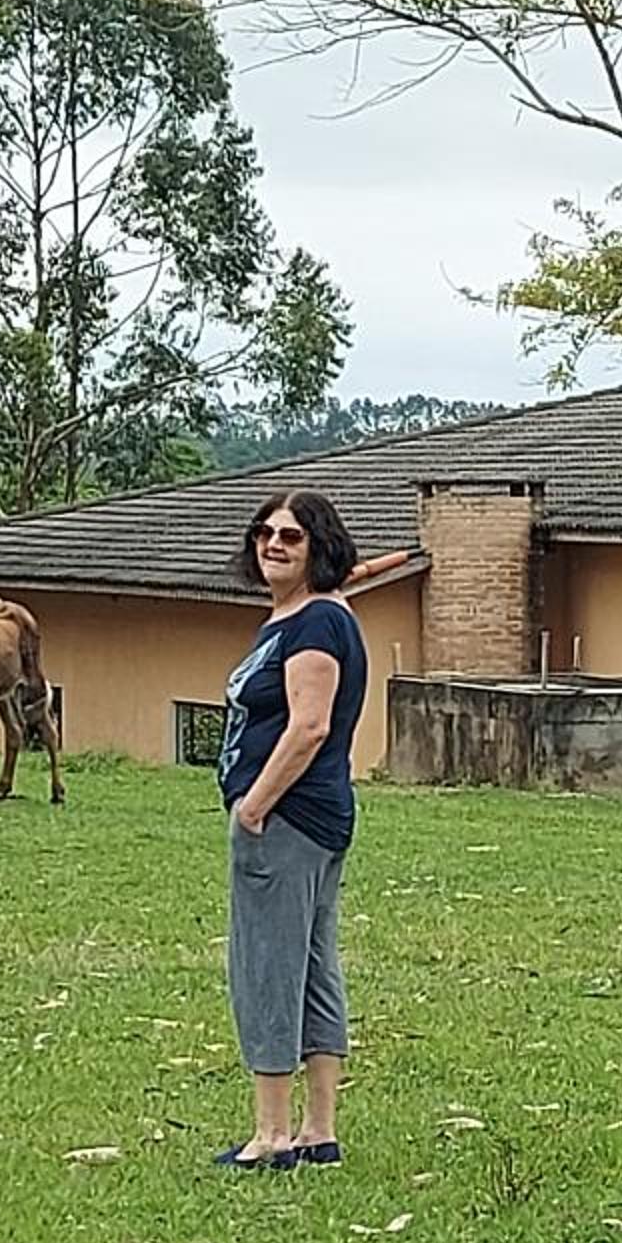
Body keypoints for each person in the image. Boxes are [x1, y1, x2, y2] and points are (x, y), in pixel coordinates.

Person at [216, 489, 369, 1168]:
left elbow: (309, 725)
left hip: (288, 820)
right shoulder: (315, 615)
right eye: (265, 533)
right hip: (316, 817)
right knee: (311, 965)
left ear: (320, 548)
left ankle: (273, 1133)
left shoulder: (313, 624)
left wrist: (254, 806)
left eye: (291, 536)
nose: (273, 544)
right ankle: (318, 1131)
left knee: (268, 966)